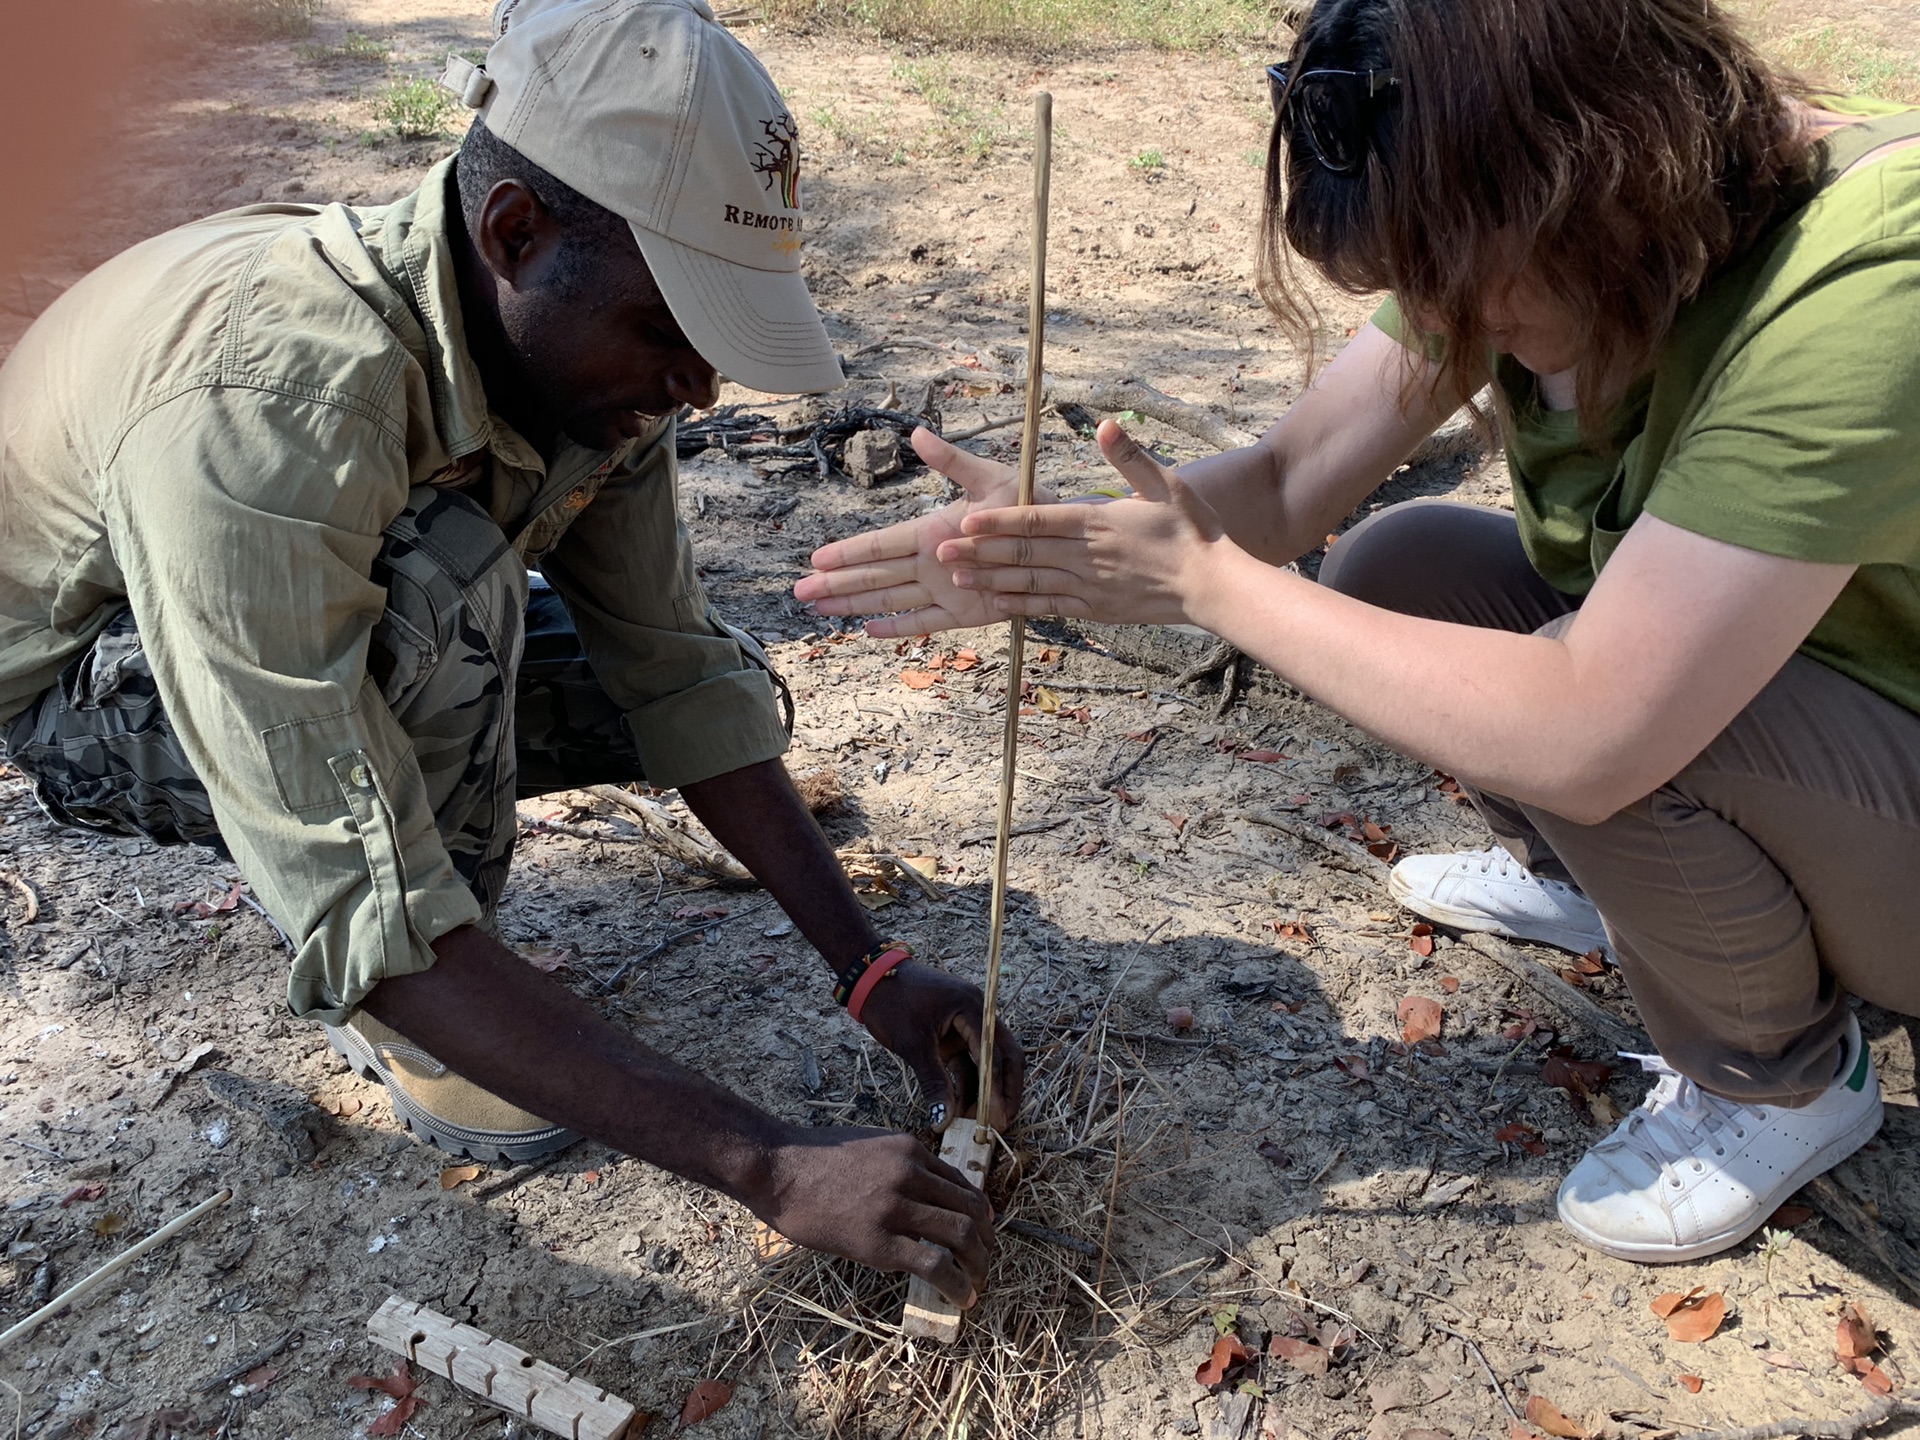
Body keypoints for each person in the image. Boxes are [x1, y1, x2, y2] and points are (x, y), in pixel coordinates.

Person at [796, 0, 1920, 1264]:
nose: (1454, 329)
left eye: (1468, 293)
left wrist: (1212, 586)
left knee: (1605, 738)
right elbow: (1284, 488)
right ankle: (1612, 893)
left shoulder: (1870, 270)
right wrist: (1052, 548)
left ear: (1588, 165)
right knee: (1401, 562)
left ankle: (1783, 1079)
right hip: (1803, 715)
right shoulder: (1520, 221)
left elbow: (1599, 724)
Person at [0, 0, 1020, 1310]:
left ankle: (456, 932)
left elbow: (673, 671)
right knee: (445, 591)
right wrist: (768, 1164)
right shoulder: (272, 410)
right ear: (516, 235)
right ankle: (412, 1022)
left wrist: (869, 966)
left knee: (702, 683)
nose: (699, 388)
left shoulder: (580, 359)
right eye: (672, 331)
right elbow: (362, 904)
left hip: (318, 590)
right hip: (80, 684)